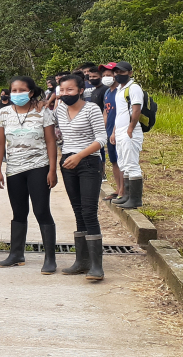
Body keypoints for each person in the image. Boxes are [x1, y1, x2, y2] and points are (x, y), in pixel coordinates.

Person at [0, 77, 58, 273]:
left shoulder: (43, 112)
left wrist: (53, 170)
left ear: (31, 93)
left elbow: (51, 142)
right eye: (14, 90)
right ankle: (16, 254)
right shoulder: (3, 114)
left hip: (39, 167)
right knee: (18, 212)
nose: (17, 93)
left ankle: (50, 258)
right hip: (14, 169)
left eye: (22, 90)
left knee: (41, 211)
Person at [54, 74, 107, 281]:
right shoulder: (60, 109)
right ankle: (81, 262)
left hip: (88, 162)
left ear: (81, 90)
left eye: (70, 90)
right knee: (77, 211)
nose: (66, 94)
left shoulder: (92, 109)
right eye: (63, 90)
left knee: (89, 210)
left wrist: (79, 156)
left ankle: (96, 266)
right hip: (68, 163)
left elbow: (101, 139)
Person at [113, 62, 145, 210]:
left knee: (132, 164)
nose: (118, 74)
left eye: (122, 72)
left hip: (129, 131)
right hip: (120, 130)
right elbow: (119, 113)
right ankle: (126, 195)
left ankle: (135, 199)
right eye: (116, 72)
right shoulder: (120, 90)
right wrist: (114, 131)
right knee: (123, 163)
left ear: (130, 73)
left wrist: (130, 128)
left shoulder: (134, 88)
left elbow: (136, 109)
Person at [100, 63, 126, 202]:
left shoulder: (120, 92)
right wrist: (102, 130)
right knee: (114, 161)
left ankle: (123, 191)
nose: (106, 78)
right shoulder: (107, 92)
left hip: (119, 131)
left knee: (122, 161)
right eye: (104, 76)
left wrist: (115, 132)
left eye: (109, 75)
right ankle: (118, 189)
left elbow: (121, 114)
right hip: (109, 132)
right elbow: (106, 112)